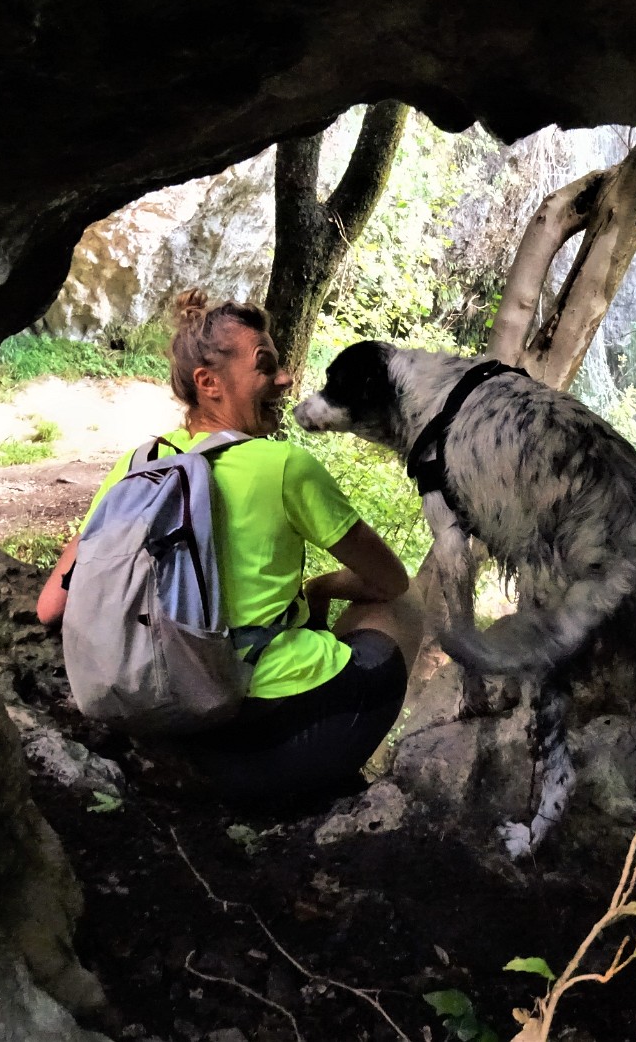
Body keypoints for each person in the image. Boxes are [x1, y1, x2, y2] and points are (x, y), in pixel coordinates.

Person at [37, 291, 423, 806]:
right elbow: (391, 581)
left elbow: (50, 608)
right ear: (209, 383)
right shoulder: (283, 465)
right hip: (284, 751)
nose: (285, 379)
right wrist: (322, 586)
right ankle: (334, 767)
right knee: (403, 604)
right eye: (266, 365)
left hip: (171, 729)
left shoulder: (138, 465)